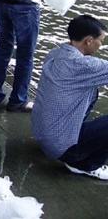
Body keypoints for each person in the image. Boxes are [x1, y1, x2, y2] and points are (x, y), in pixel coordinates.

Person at [32, 15, 108, 179]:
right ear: (88, 40)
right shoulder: (85, 65)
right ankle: (87, 166)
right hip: (62, 148)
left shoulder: (55, 53)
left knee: (90, 92)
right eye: (101, 41)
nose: (101, 45)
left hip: (43, 134)